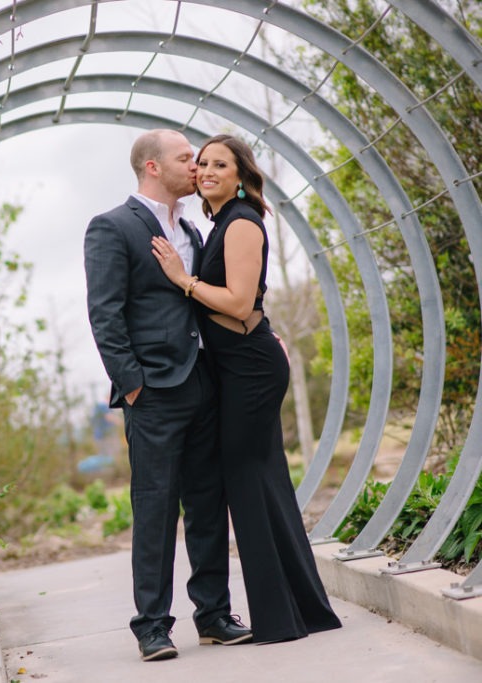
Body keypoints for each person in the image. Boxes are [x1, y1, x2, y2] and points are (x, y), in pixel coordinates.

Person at [151, 134, 343, 643]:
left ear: (240, 176)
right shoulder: (216, 225)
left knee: (248, 483)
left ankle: (283, 618)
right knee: (263, 483)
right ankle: (302, 608)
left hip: (251, 372)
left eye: (220, 164)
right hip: (238, 367)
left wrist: (182, 279)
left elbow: (237, 302)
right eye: (202, 163)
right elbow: (253, 299)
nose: (207, 170)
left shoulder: (240, 222)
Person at [84, 129, 252, 662]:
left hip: (204, 383)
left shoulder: (195, 231)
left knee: (208, 503)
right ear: (153, 167)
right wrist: (132, 384)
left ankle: (214, 615)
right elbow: (105, 313)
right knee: (155, 509)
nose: (197, 166)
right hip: (152, 392)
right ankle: (152, 626)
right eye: (186, 159)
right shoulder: (112, 227)